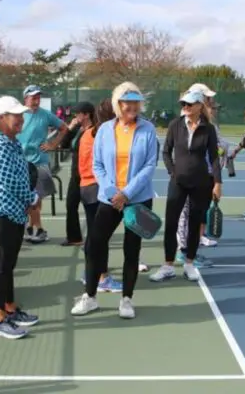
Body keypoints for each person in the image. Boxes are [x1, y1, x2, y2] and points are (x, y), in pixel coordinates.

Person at [70, 82, 157, 319]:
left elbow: (150, 165)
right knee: (94, 247)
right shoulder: (105, 129)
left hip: (138, 200)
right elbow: (97, 164)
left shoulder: (148, 130)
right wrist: (111, 192)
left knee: (132, 250)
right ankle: (90, 297)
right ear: (118, 104)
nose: (131, 106)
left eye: (135, 102)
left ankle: (126, 300)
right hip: (108, 200)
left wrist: (126, 193)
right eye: (126, 102)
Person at [150, 90, 222, 283]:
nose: (185, 107)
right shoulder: (175, 125)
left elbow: (214, 157)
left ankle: (189, 263)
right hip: (178, 182)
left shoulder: (208, 129)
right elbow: (166, 152)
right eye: (183, 104)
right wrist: (173, 171)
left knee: (194, 224)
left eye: (189, 104)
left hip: (201, 183)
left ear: (199, 106)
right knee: (171, 223)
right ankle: (167, 266)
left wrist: (217, 182)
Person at [0, 95, 40, 339]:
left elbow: (22, 176)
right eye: (15, 115)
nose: (20, 119)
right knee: (1, 267)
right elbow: (12, 183)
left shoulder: (13, 143)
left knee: (9, 266)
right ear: (0, 119)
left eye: (21, 115)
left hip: (15, 213)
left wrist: (28, 199)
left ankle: (10, 307)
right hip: (2, 215)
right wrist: (32, 198)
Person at [77, 98, 123, 292]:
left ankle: (91, 272)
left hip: (86, 187)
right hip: (97, 189)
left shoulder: (89, 133)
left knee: (95, 237)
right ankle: (101, 277)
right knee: (100, 238)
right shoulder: (104, 135)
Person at [17, 85, 68, 244]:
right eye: (33, 97)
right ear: (25, 98)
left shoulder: (46, 115)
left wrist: (53, 145)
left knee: (37, 197)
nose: (36, 100)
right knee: (27, 199)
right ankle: (33, 228)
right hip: (20, 163)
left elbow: (63, 128)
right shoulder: (18, 115)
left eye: (38, 97)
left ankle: (36, 228)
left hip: (40, 162)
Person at [59, 102, 95, 247]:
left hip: (89, 176)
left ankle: (94, 240)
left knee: (91, 210)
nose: (75, 116)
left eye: (78, 113)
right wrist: (70, 128)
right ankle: (74, 238)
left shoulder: (95, 131)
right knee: (71, 205)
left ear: (86, 115)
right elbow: (64, 145)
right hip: (76, 174)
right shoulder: (78, 129)